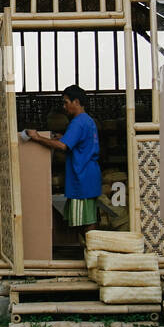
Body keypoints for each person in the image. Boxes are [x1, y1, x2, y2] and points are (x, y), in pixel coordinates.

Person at [25, 84, 101, 237]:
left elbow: (62, 146)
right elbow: (75, 142)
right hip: (89, 175)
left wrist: (37, 138)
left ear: (76, 102)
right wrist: (64, 137)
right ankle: (90, 251)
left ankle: (89, 252)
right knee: (88, 218)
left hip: (82, 178)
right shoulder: (88, 120)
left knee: (85, 222)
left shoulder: (78, 122)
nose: (64, 106)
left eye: (66, 102)